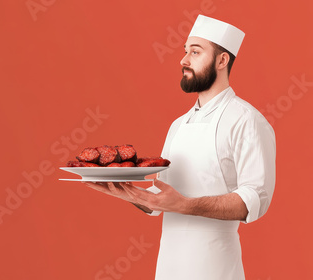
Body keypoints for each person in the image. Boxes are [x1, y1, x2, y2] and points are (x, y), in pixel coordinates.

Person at [83, 15, 276, 280]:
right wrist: (127, 192)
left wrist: (184, 205)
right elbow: (161, 197)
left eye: (195, 52)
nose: (183, 60)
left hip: (215, 265)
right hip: (169, 265)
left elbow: (255, 199)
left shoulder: (247, 120)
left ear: (222, 60)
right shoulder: (178, 125)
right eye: (185, 52)